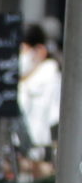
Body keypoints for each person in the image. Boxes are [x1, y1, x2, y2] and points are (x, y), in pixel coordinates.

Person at [19, 20, 61, 159]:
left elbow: (58, 129)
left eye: (20, 50)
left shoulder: (53, 81)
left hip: (44, 168)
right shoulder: (12, 84)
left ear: (40, 51)